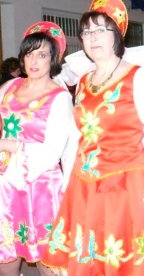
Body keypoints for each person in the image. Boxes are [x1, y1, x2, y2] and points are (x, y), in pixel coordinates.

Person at [42, 0, 144, 274]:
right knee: (92, 262)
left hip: (126, 188)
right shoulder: (82, 81)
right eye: (87, 32)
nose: (92, 38)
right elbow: (77, 138)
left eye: (101, 31)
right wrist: (68, 182)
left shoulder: (137, 77)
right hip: (85, 187)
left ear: (117, 36)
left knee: (122, 264)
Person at [0, 22, 74, 276]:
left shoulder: (60, 97)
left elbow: (52, 152)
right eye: (29, 53)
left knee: (48, 261)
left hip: (40, 188)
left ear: (53, 59)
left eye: (42, 54)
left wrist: (5, 145)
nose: (34, 60)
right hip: (5, 188)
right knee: (5, 256)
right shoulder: (9, 88)